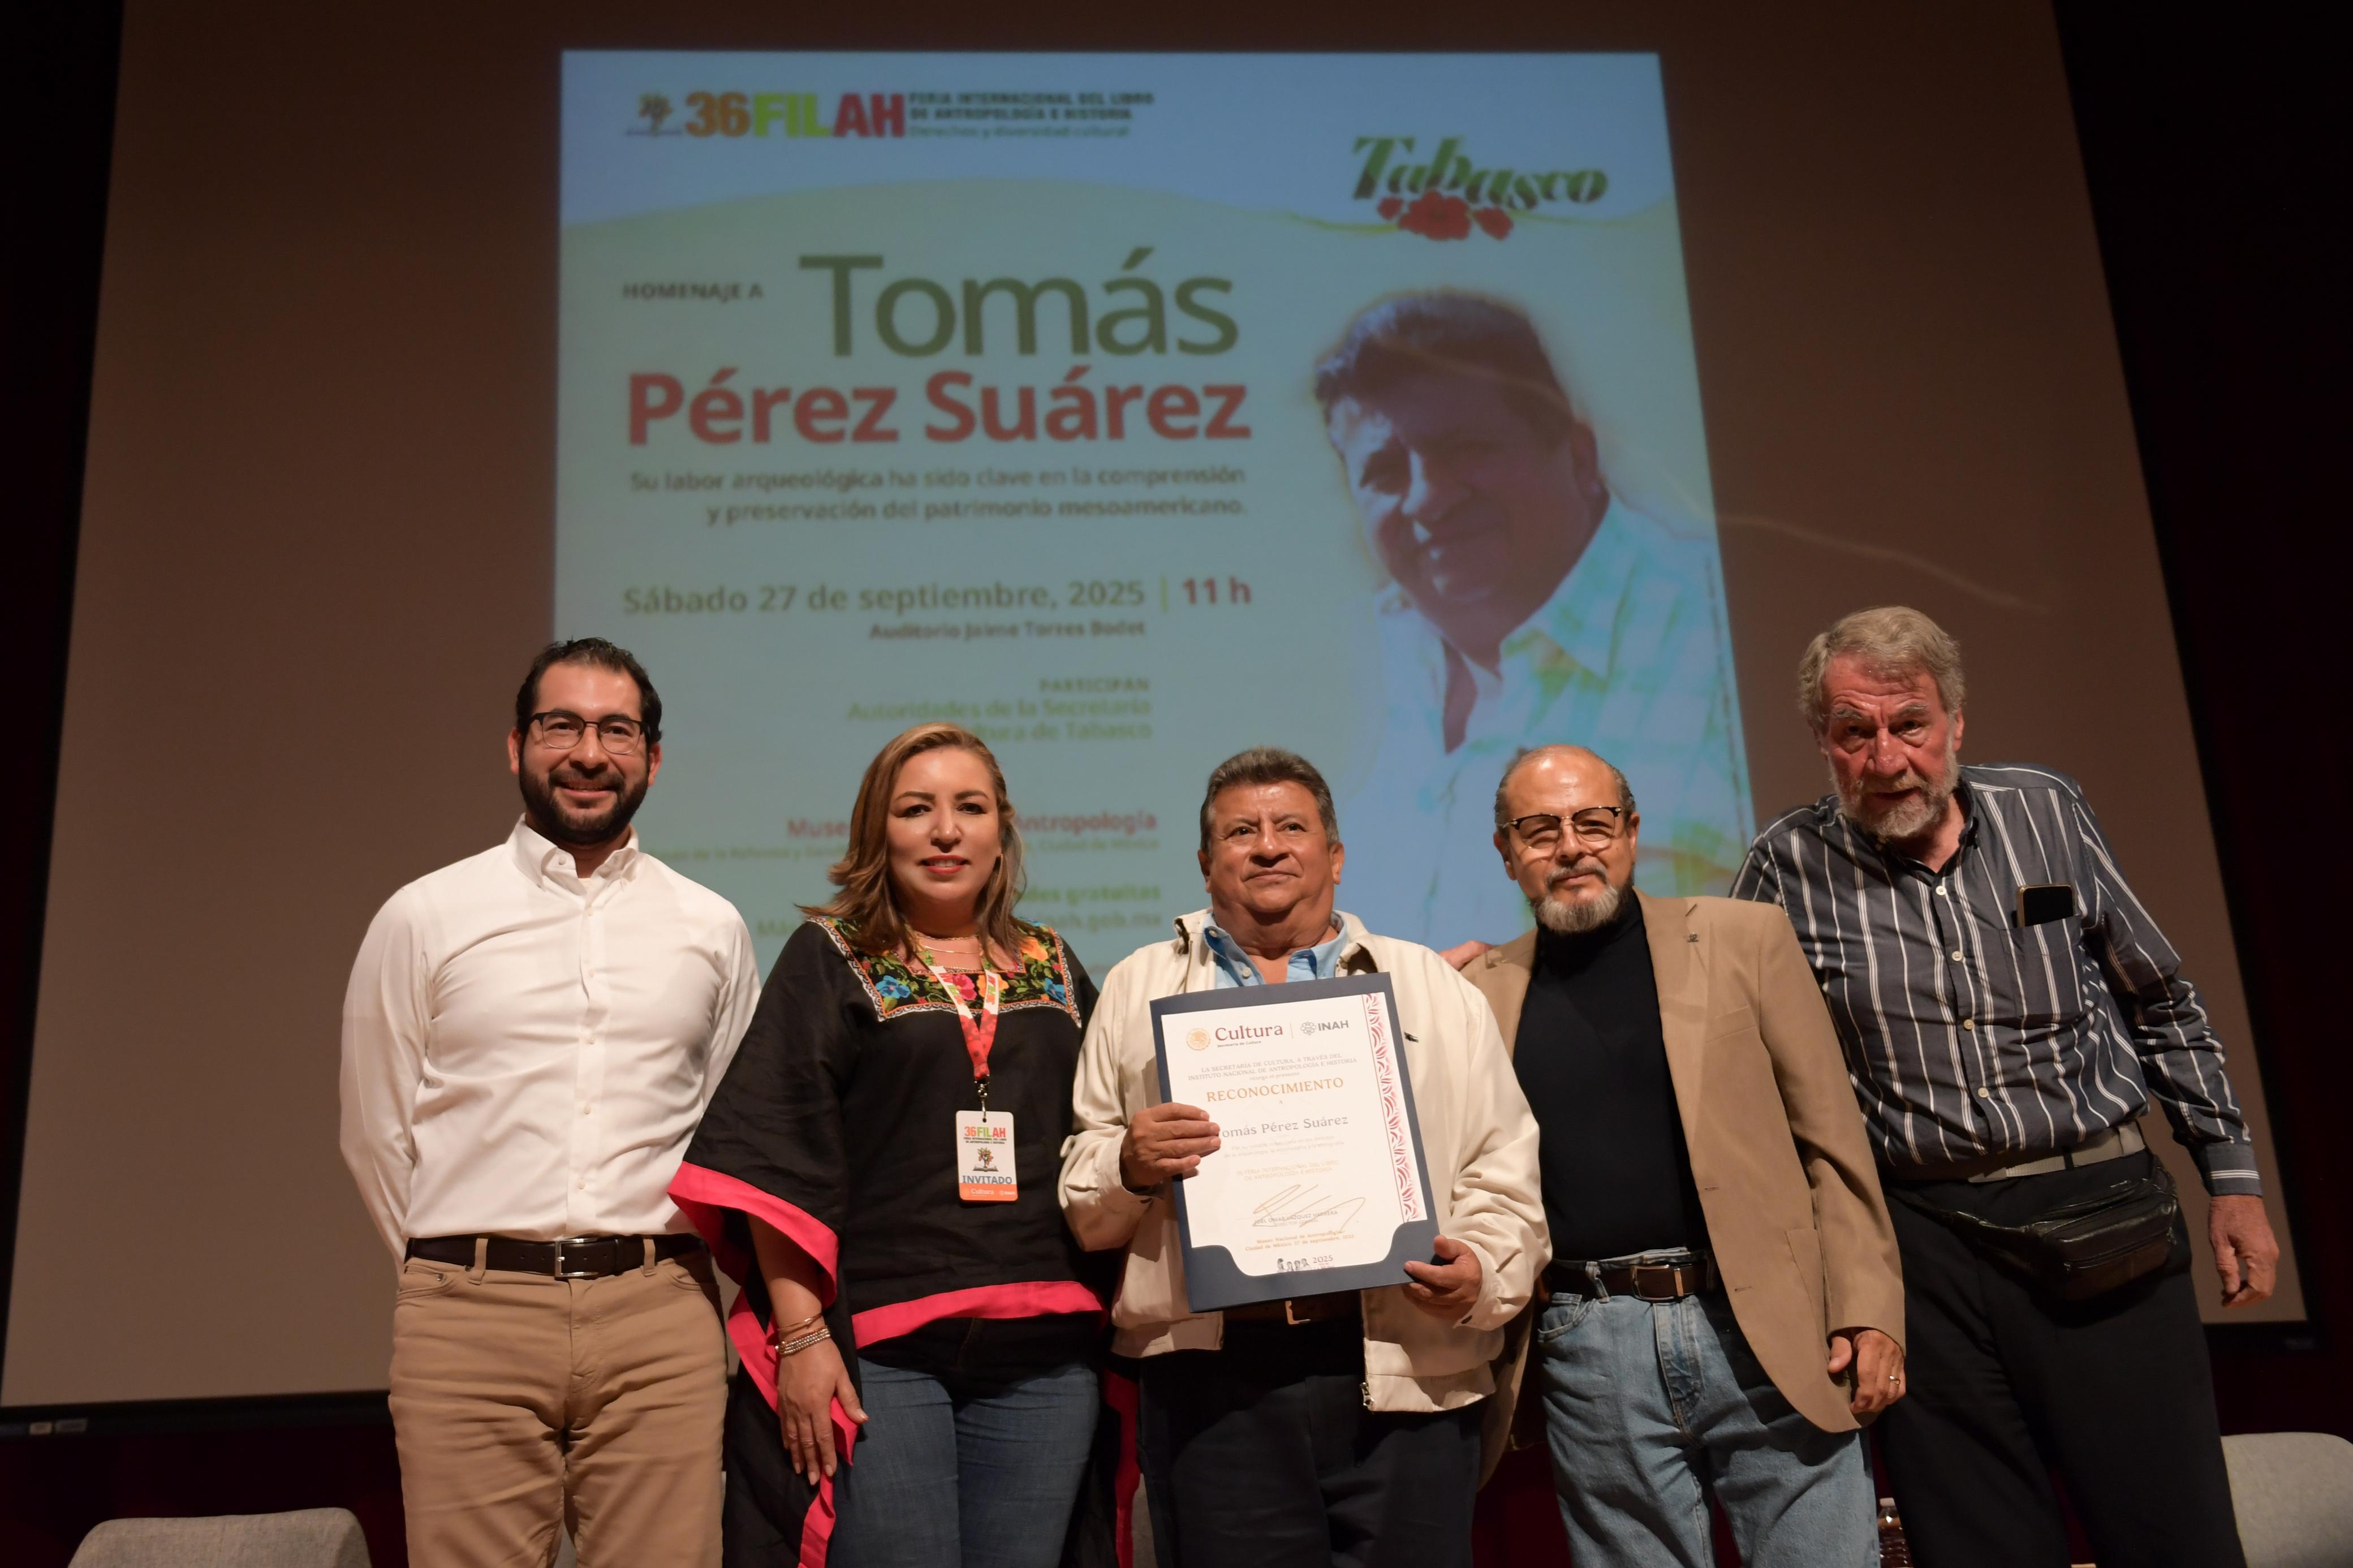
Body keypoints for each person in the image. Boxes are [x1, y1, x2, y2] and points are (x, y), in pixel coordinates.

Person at [1731, 605, 2281, 1568]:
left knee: (2172, 1530)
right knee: (1976, 1543)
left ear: (1956, 724)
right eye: (1855, 732)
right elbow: (1735, 1065)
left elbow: (2162, 1001)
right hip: (1924, 1247)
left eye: (1910, 723)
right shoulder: (1786, 864)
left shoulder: (2047, 812)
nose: (1887, 755)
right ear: (1824, 741)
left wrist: (2232, 1178)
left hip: (2103, 1216)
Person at [1059, 746, 1547, 1568]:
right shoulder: (1139, 987)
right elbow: (1082, 1194)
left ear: (1337, 856)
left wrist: (1481, 1277)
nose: (1268, 846)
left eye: (1292, 826)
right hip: (1215, 1382)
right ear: (1206, 863)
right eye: (1241, 832)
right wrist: (1129, 1164)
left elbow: (1504, 1174)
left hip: (1404, 1370)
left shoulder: (1429, 986)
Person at [339, 637, 759, 1567]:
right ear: (515, 746)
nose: (587, 751)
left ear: (653, 756)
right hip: (469, 1313)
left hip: (661, 1312)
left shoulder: (712, 927)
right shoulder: (425, 913)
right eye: (559, 724)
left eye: (617, 729)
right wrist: (455, 1271)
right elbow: (375, 1132)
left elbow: (729, 1136)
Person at [670, 723, 1109, 1568]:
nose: (946, 831)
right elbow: (776, 1155)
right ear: (880, 829)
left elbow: (1110, 1126)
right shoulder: (829, 957)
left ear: (1001, 829)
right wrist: (802, 1341)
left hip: (1045, 1358)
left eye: (969, 808)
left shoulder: (1054, 963)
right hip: (883, 1356)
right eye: (917, 809)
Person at [1461, 744, 1904, 1567]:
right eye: (1539, 830)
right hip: (1590, 1348)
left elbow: (1833, 1143)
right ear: (1506, 851)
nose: (1570, 848)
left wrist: (1870, 1305)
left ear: (1630, 832)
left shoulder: (1746, 938)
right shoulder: (1478, 995)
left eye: (1593, 823)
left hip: (1769, 1327)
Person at [1315, 291, 1751, 949]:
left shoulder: (1723, 636)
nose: (1428, 498)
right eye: (1383, 470)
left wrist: (1513, 984)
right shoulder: (1384, 656)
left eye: (1463, 449)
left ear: (1578, 456)